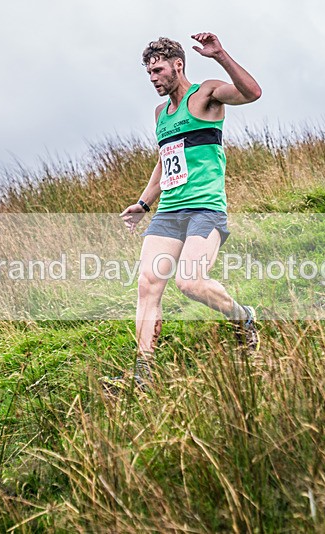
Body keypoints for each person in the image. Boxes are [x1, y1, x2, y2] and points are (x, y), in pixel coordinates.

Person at [100, 32, 262, 392]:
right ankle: (142, 375)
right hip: (169, 212)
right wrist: (143, 204)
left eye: (158, 70)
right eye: (148, 73)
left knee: (189, 282)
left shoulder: (206, 95)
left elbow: (252, 93)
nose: (153, 78)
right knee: (148, 285)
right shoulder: (161, 114)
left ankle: (243, 317)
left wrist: (220, 55)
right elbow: (165, 162)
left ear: (178, 65)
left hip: (205, 209)